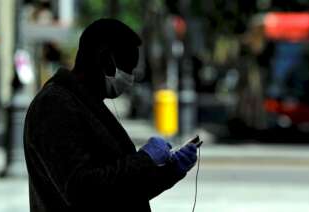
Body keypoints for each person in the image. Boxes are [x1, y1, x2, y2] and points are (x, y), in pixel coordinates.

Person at [23, 18, 198, 212]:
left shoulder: (86, 103)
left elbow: (123, 192)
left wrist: (170, 171)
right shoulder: (54, 105)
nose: (130, 79)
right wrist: (145, 159)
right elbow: (82, 190)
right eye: (129, 68)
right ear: (106, 60)